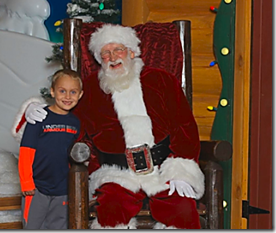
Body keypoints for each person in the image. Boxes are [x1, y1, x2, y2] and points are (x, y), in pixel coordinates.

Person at [13, 24, 204, 229]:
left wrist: (181, 170)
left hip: (162, 169)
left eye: (118, 50)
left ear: (131, 51)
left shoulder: (162, 80)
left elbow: (184, 126)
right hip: (117, 173)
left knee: (183, 209)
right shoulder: (92, 89)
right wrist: (35, 110)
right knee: (111, 210)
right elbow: (67, 122)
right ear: (99, 58)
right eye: (106, 53)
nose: (113, 57)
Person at [18, 69, 84, 229]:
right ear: (53, 92)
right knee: (32, 226)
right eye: (62, 91)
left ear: (80, 95)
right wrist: (26, 183)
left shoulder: (76, 123)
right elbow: (26, 152)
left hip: (63, 188)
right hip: (36, 188)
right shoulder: (39, 117)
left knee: (59, 226)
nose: (67, 97)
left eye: (73, 92)